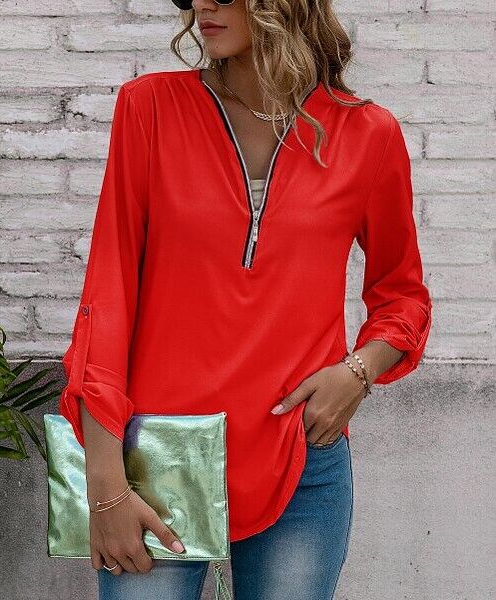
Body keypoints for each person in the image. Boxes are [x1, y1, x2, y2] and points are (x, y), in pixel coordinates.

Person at [58, 0, 433, 598]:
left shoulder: (367, 134)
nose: (202, 3)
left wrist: (357, 372)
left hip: (299, 457)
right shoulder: (150, 107)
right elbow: (108, 295)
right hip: (152, 462)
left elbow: (402, 296)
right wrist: (105, 482)